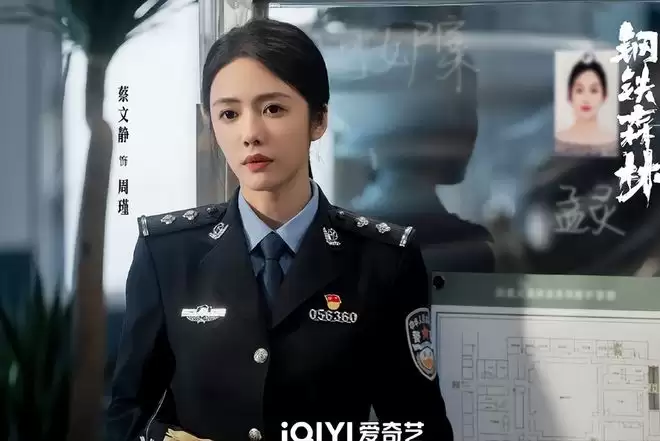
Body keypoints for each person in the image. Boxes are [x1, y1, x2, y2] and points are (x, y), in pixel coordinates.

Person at [106, 18, 453, 441]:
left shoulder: (384, 260)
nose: (251, 134)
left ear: (318, 119)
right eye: (229, 114)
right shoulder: (167, 254)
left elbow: (420, 428)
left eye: (273, 109)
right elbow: (127, 413)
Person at [555, 53, 618, 157]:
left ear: (604, 95)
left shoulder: (614, 145)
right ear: (569, 95)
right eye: (579, 90)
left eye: (594, 90)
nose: (586, 99)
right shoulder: (557, 142)